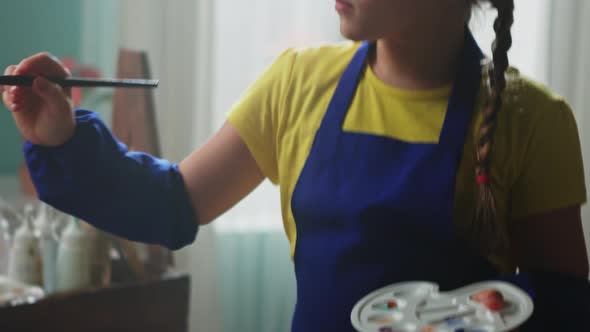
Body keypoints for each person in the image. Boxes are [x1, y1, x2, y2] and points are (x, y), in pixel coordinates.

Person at [2, 0, 589, 330]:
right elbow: (173, 204)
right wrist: (63, 138)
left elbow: (563, 309)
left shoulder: (532, 119)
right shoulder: (297, 83)